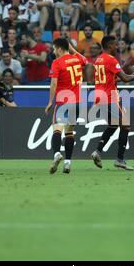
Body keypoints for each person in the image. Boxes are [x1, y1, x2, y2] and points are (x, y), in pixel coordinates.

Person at [90, 35, 134, 170]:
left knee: (113, 125)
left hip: (100, 97)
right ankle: (119, 160)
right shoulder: (110, 59)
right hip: (111, 98)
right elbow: (126, 78)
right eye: (115, 45)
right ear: (109, 46)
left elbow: (113, 79)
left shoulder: (99, 59)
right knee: (126, 125)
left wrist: (129, 72)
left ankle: (97, 152)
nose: (117, 47)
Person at [44, 38, 88, 174]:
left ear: (60, 49)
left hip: (63, 101)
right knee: (69, 132)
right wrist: (72, 49)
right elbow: (85, 61)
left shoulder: (57, 63)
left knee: (57, 130)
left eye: (54, 48)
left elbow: (54, 84)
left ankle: (57, 154)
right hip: (77, 103)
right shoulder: (77, 59)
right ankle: (68, 162)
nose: (53, 51)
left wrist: (50, 101)